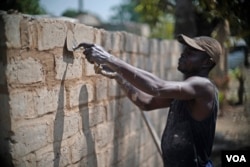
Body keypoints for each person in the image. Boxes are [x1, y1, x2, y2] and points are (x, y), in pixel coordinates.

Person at [79, 34, 222, 167]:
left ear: (206, 63)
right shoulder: (187, 91)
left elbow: (157, 87)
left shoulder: (204, 87)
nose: (183, 54)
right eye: (185, 50)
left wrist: (109, 59)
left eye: (191, 53)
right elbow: (146, 102)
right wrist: (119, 77)